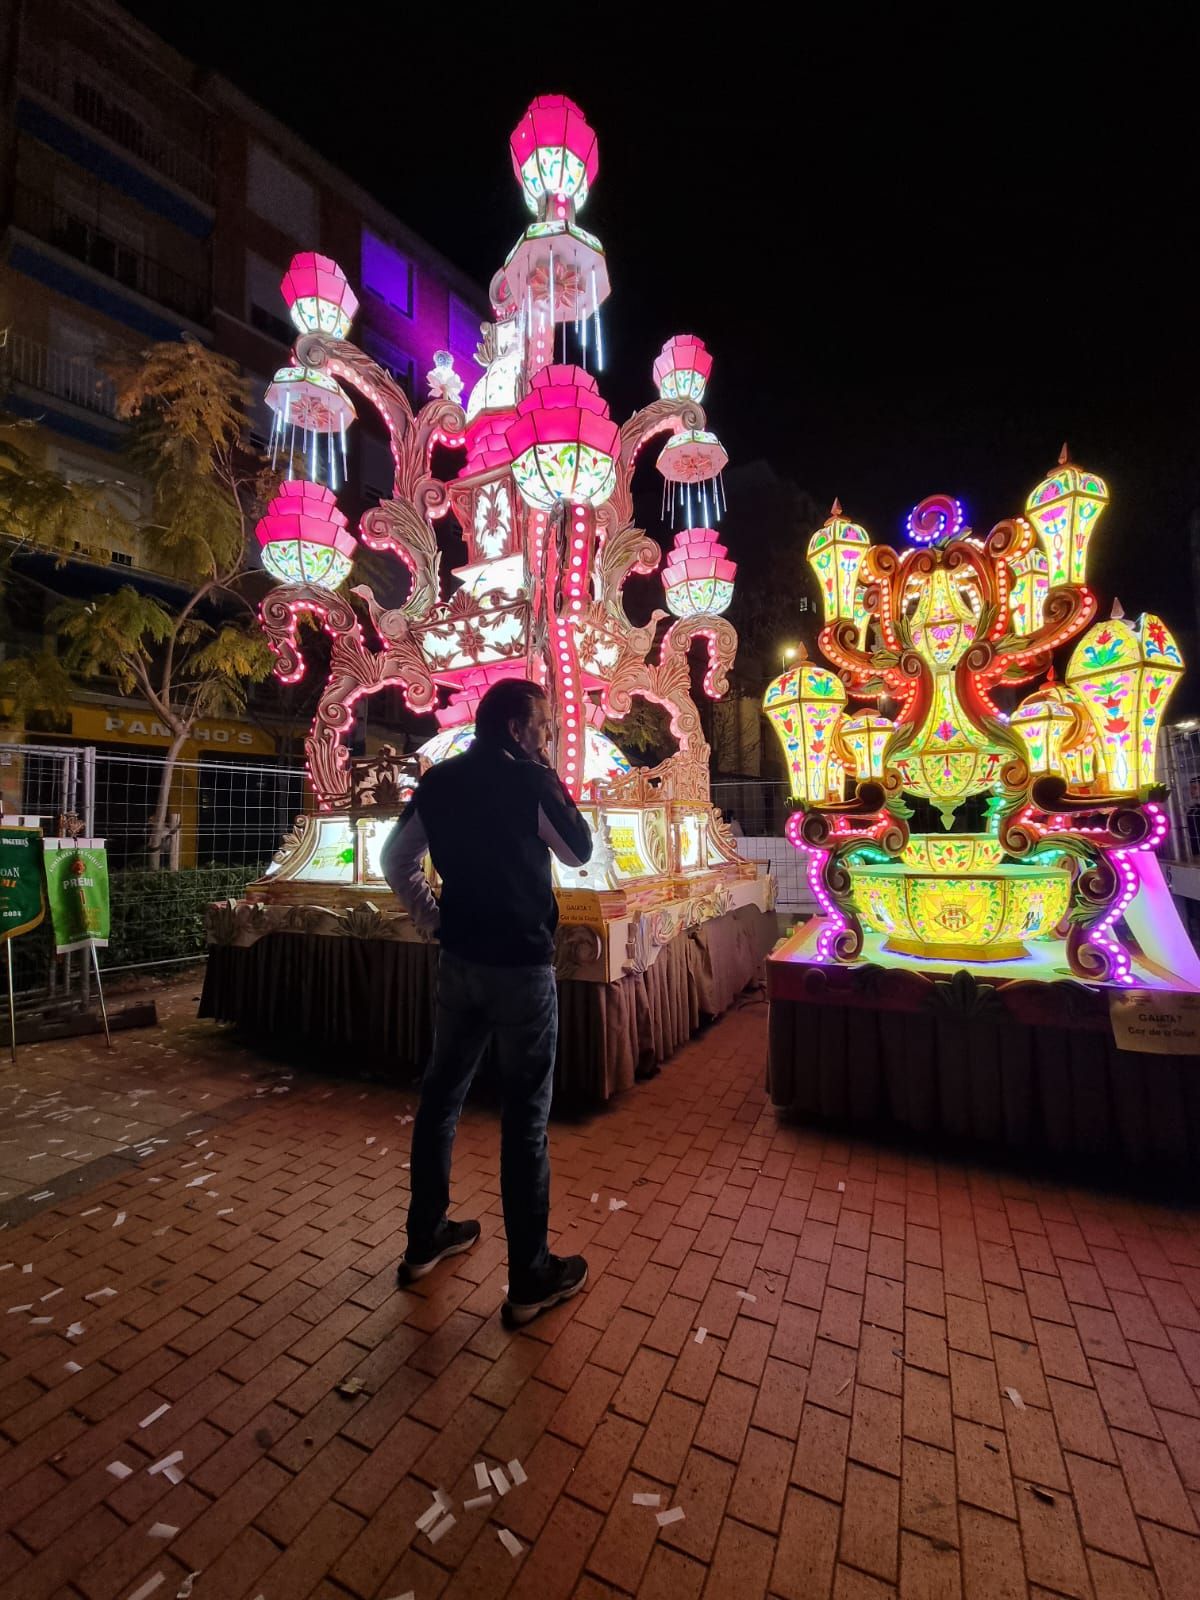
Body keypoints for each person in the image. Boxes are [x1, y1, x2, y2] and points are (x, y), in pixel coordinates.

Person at [382, 677, 593, 1325]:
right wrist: (548, 773)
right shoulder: (530, 780)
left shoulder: (439, 782)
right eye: (544, 725)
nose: (548, 735)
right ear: (514, 729)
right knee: (525, 1120)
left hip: (459, 963)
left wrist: (433, 921)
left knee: (441, 1098)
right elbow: (578, 850)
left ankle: (425, 1237)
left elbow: (397, 859)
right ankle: (529, 1276)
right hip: (522, 971)